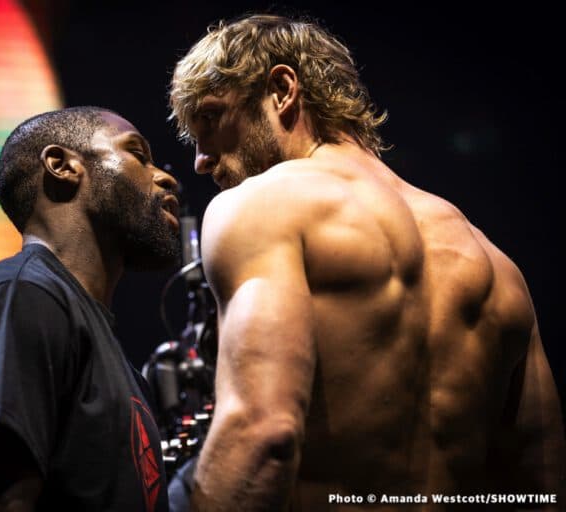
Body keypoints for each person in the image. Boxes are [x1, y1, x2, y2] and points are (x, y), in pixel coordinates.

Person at [168, 14, 565, 510]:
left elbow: (261, 433)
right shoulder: (496, 264)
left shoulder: (259, 207)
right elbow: (541, 488)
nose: (201, 160)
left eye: (209, 118)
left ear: (282, 89)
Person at [0, 107, 181, 511]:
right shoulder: (21, 296)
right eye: (138, 155)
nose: (166, 177)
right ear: (62, 166)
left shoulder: (99, 341)